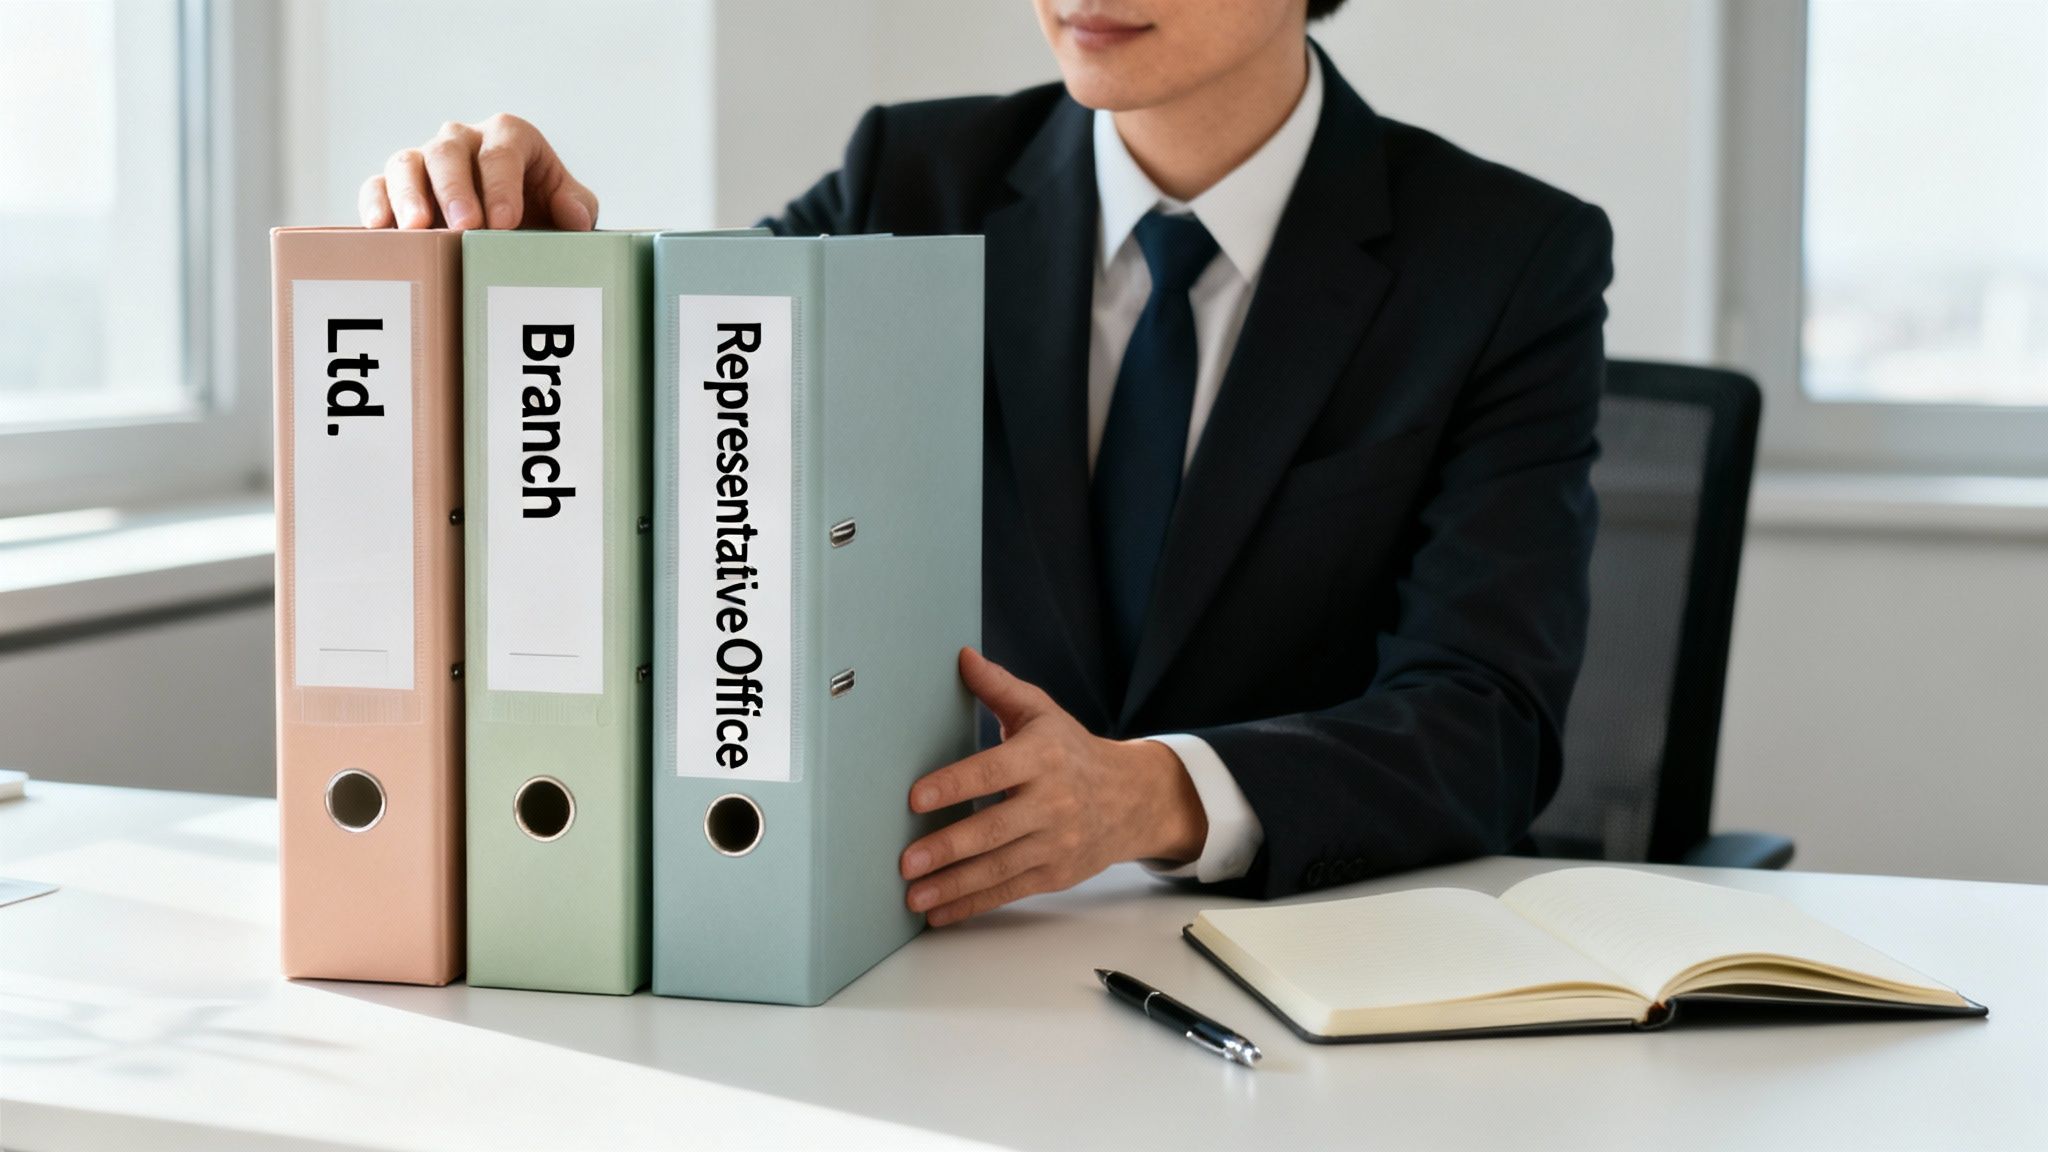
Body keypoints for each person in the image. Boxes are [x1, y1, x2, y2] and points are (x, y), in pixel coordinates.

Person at [362, 0, 1610, 926]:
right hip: (928, 945)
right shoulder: (905, 179)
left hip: (1299, 967)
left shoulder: (1504, 261)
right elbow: (669, 424)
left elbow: (1483, 718)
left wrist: (1150, 796)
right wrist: (533, 267)